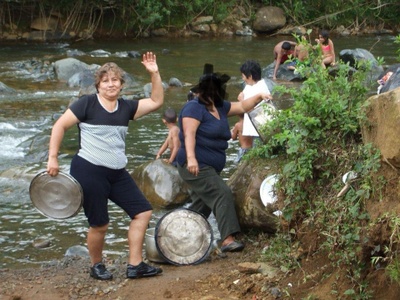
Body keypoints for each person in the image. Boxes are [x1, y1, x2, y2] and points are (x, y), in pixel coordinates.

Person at [46, 52, 164, 281]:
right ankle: (96, 265)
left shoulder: (126, 108)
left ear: (121, 85)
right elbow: (59, 126)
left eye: (115, 80)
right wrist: (53, 157)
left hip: (117, 172)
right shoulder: (86, 104)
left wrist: (154, 74)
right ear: (98, 85)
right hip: (89, 170)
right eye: (106, 80)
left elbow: (157, 101)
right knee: (100, 224)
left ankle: (135, 265)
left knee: (142, 211)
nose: (111, 84)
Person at [176, 65, 272, 253]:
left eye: (216, 86)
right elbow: (189, 134)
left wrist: (260, 96)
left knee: (201, 205)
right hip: (196, 165)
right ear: (201, 89)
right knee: (222, 193)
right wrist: (191, 159)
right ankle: (227, 239)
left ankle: (180, 236)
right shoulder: (193, 108)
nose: (214, 90)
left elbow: (243, 106)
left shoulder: (219, 107)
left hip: (210, 167)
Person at [238, 60, 273, 146]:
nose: (243, 79)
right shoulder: (252, 85)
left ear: (249, 76)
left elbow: (253, 111)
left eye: (243, 76)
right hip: (254, 131)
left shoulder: (257, 89)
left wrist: (241, 100)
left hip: (257, 131)